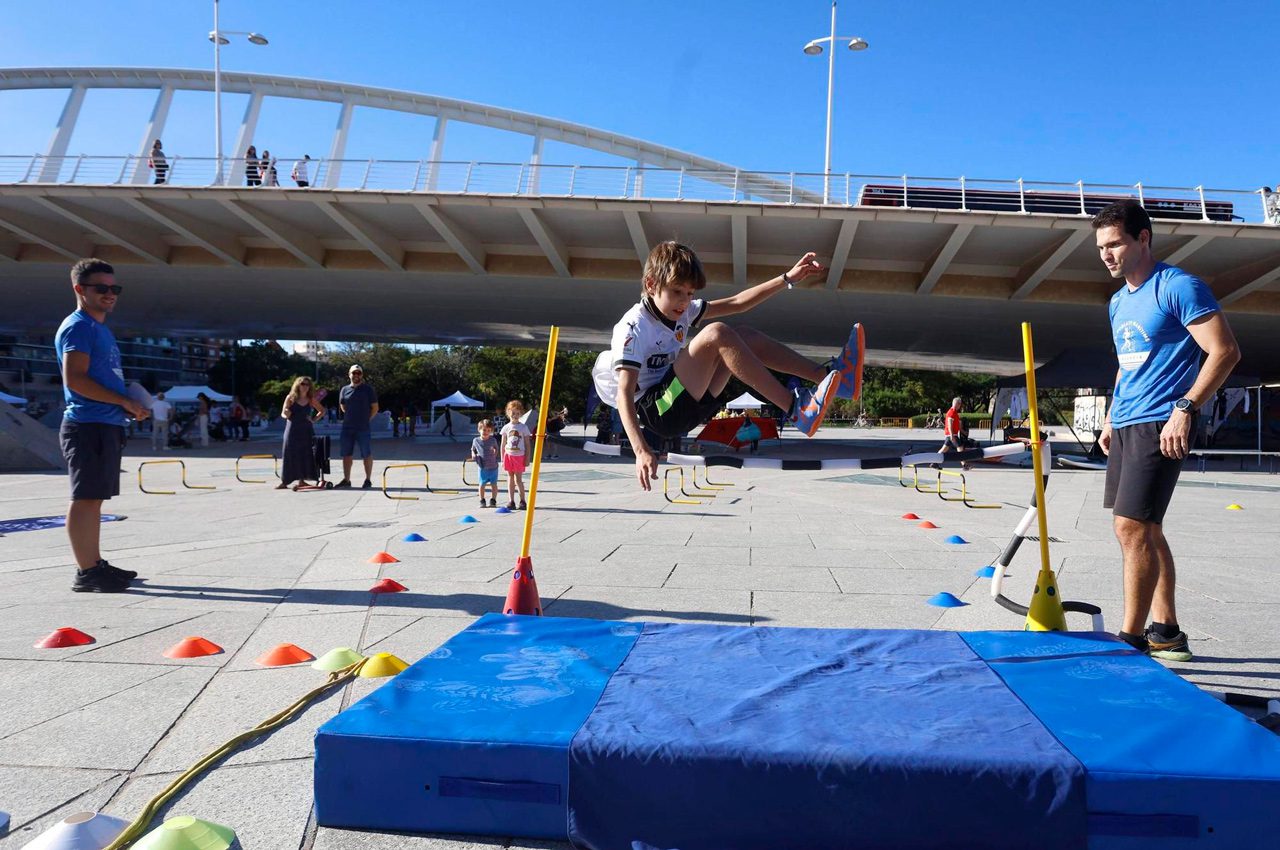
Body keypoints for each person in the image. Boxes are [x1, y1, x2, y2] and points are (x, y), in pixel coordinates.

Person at [592, 241, 864, 491]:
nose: (685, 302)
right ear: (651, 284)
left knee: (742, 335)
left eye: (690, 293)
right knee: (717, 333)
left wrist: (787, 279)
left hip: (685, 399)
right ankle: (797, 409)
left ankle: (832, 378)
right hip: (658, 410)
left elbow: (738, 303)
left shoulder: (684, 310)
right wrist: (641, 450)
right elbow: (624, 395)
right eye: (677, 292)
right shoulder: (633, 328)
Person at [1093, 199, 1240, 661]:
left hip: (1163, 421)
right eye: (1101, 247)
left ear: (1143, 238)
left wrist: (1185, 407)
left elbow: (1224, 351)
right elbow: (1126, 365)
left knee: (1131, 527)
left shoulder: (1179, 286)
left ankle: (1131, 640)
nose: (1107, 255)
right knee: (1147, 529)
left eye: (1115, 243)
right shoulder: (1118, 302)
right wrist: (1112, 415)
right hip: (1130, 420)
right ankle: (1167, 632)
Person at [55, 258, 147, 592]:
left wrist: (128, 403)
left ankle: (94, 564)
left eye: (114, 288)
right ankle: (87, 572)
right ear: (80, 289)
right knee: (85, 498)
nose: (110, 294)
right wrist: (123, 401)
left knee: (94, 499)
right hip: (87, 424)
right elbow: (75, 378)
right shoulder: (79, 326)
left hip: (104, 422)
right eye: (101, 288)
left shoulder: (98, 329)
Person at [336, 364, 379, 488]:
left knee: (366, 453)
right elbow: (343, 406)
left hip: (363, 427)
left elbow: (375, 408)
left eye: (358, 373)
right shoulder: (344, 390)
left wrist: (366, 419)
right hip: (347, 427)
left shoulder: (368, 389)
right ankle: (347, 479)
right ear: (349, 374)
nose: (356, 375)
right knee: (346, 454)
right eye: (353, 373)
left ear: (362, 375)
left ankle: (368, 479)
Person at [279, 377, 325, 490]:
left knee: (305, 453)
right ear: (297, 385)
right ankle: (285, 481)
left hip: (306, 429)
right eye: (303, 384)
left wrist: (313, 420)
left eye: (307, 384)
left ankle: (302, 481)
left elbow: (322, 411)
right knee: (289, 452)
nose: (305, 386)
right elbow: (283, 413)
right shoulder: (290, 398)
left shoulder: (311, 399)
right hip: (292, 428)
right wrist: (286, 414)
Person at [500, 399, 532, 510]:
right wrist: (502, 459)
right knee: (510, 478)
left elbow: (528, 444)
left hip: (519, 456)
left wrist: (527, 458)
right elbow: (503, 444)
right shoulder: (506, 427)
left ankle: (522, 501)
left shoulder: (523, 427)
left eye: (517, 413)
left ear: (521, 414)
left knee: (518, 479)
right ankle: (511, 501)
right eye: (513, 413)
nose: (515, 415)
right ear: (508, 413)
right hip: (508, 455)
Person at [471, 418, 501, 508]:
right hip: (482, 467)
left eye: (488, 430)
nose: (486, 432)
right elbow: (473, 449)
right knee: (482, 484)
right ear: (479, 429)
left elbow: (496, 448)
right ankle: (482, 500)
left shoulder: (493, 440)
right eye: (484, 430)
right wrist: (473, 454)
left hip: (493, 466)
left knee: (494, 484)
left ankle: (493, 500)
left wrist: (495, 454)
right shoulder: (476, 440)